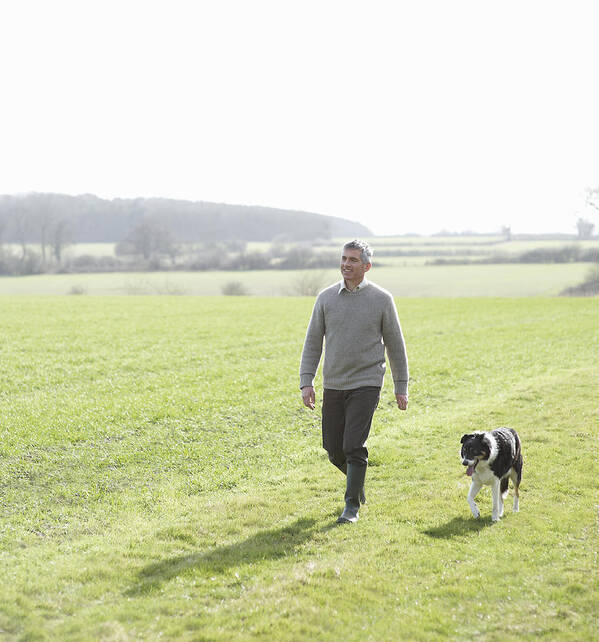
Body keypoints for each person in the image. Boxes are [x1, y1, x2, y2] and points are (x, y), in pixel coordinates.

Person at [299, 239, 409, 524]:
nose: (346, 264)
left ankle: (351, 507)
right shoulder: (325, 298)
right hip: (334, 382)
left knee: (352, 445)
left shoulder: (382, 299)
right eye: (344, 258)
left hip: (367, 381)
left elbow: (395, 345)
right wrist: (306, 381)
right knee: (333, 448)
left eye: (353, 260)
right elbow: (313, 342)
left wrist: (401, 386)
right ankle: (356, 484)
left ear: (366, 266)